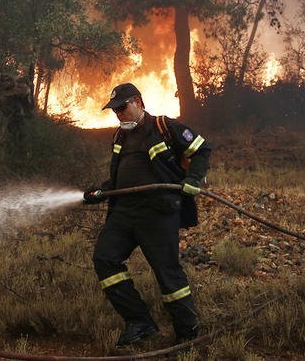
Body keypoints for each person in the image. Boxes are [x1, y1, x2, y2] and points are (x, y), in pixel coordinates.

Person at [83, 82, 211, 347]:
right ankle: (140, 321)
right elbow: (120, 178)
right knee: (105, 259)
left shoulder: (165, 127)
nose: (119, 114)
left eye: (122, 107)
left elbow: (202, 149)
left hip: (159, 212)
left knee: (168, 274)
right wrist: (102, 192)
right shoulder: (120, 137)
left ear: (138, 102)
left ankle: (188, 335)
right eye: (115, 110)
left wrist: (194, 179)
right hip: (125, 212)